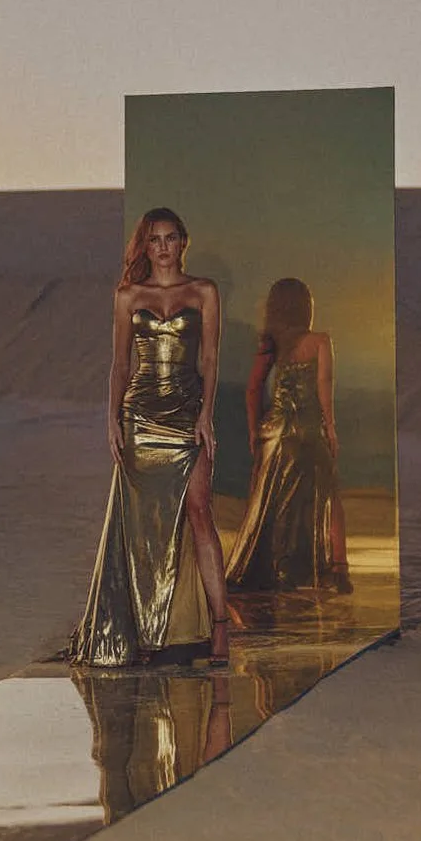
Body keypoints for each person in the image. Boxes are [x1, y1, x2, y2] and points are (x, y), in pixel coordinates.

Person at [69, 208, 233, 666]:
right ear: (146, 245)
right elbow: (120, 364)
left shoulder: (204, 292)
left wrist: (206, 416)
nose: (163, 246)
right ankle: (145, 629)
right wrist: (111, 419)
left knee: (200, 511)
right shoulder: (128, 295)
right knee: (140, 524)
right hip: (140, 416)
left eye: (171, 237)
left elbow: (211, 361)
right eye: (155, 239)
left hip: (186, 413)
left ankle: (221, 625)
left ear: (184, 241)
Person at [222, 277, 350, 594]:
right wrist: (330, 428)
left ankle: (273, 568)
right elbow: (324, 388)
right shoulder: (320, 341)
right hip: (308, 428)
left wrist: (255, 431)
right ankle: (338, 570)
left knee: (267, 500)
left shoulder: (270, 342)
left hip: (276, 431)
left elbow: (252, 390)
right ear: (307, 308)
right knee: (328, 493)